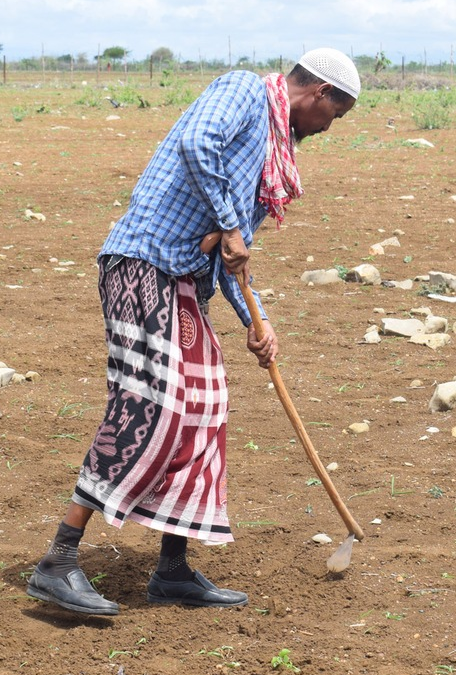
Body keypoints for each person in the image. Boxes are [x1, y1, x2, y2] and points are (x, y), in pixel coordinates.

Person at [26, 48, 360, 616]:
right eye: (336, 114)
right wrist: (228, 226)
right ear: (320, 93)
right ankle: (58, 559)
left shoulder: (274, 153)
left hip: (184, 282)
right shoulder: (245, 90)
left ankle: (173, 569)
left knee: (206, 405)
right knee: (151, 404)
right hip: (142, 264)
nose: (330, 127)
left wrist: (258, 321)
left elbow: (232, 258)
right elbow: (198, 143)